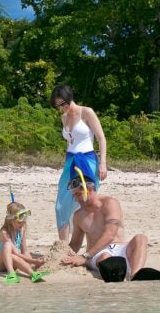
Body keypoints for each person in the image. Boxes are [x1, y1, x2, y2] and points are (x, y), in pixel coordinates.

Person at [61, 175, 160, 282]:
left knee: (141, 238)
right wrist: (61, 255)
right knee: (106, 257)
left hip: (120, 249)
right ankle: (115, 274)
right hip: (97, 253)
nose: (76, 199)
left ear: (90, 189)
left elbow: (110, 234)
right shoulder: (78, 215)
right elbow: (75, 243)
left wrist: (84, 256)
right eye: (74, 195)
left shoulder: (109, 203)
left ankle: (135, 275)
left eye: (78, 194)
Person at [50, 84, 107, 242]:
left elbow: (101, 138)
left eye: (63, 103)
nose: (62, 108)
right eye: (58, 105)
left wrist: (103, 163)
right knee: (62, 204)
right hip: (71, 160)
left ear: (69, 98)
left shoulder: (86, 112)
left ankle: (93, 241)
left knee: (88, 201)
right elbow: (70, 143)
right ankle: (63, 247)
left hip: (88, 160)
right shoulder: (64, 117)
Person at [0, 202, 50, 283]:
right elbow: (16, 252)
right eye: (19, 222)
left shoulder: (21, 230)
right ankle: (11, 274)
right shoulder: (4, 232)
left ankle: (33, 274)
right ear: (10, 221)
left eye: (24, 222)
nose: (22, 224)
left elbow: (24, 251)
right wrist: (34, 261)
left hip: (13, 261)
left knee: (13, 257)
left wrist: (32, 264)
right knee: (8, 245)